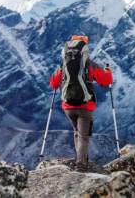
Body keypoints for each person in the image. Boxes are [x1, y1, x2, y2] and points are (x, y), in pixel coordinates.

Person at [49, 35, 113, 172]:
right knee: (83, 136)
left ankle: (82, 159)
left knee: (77, 133)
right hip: (85, 106)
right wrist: (108, 71)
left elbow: (53, 84)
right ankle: (81, 166)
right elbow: (106, 81)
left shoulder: (63, 65)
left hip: (67, 106)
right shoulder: (90, 64)